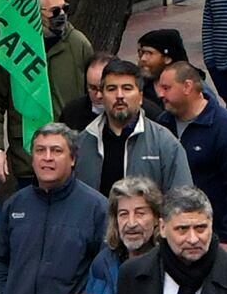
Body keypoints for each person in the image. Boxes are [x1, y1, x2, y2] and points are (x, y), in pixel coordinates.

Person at [0, 0, 96, 156]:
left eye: (65, 8)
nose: (62, 15)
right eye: (55, 11)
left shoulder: (78, 44)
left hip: (69, 153)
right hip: (26, 156)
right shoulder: (13, 49)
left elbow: (94, 96)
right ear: (35, 13)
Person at [157, 58, 227, 245]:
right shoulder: (162, 125)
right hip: (169, 235)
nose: (159, 93)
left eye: (166, 88)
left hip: (212, 237)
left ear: (187, 86)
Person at [74, 58, 189, 200]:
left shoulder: (165, 144)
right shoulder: (83, 143)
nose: (119, 95)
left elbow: (182, 201)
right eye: (111, 89)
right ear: (102, 96)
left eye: (127, 88)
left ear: (140, 96)